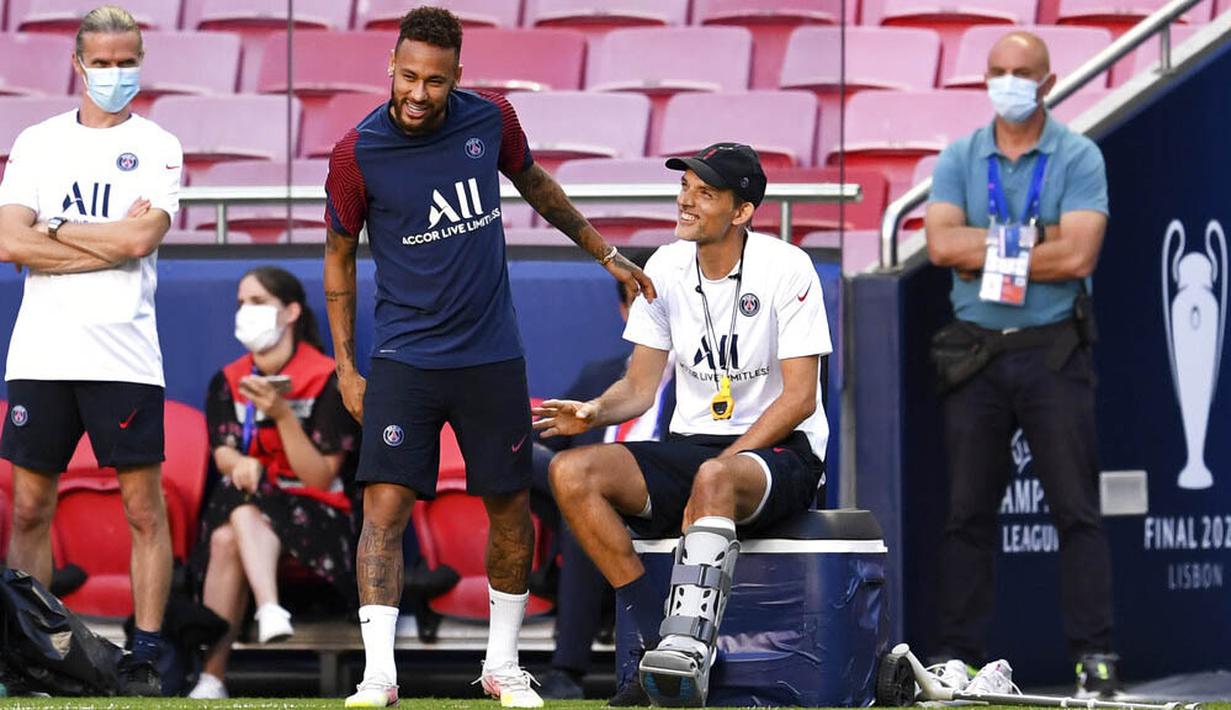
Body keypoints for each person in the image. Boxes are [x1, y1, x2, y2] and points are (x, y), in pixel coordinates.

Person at [321, 7, 655, 708]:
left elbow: (537, 186)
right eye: (408, 76)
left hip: (489, 357)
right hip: (404, 361)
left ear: (457, 78)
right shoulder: (356, 154)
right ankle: (379, 675)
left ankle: (501, 667)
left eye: (434, 81)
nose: (418, 93)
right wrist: (348, 365)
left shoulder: (491, 120)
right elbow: (338, 259)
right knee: (382, 507)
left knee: (508, 508)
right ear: (391, 66)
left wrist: (607, 254)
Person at [537, 142, 831, 707]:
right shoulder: (666, 265)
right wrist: (595, 410)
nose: (687, 202)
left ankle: (693, 648)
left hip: (783, 451)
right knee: (573, 473)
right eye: (685, 189)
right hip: (694, 446)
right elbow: (641, 387)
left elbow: (799, 399)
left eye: (706, 193)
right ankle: (660, 648)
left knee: (714, 479)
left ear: (742, 212)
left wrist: (727, 460)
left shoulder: (787, 266)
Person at [924, 30, 1119, 698]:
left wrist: (992, 246)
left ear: (1048, 81)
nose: (1007, 81)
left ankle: (1093, 658)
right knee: (965, 513)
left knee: (1076, 510)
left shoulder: (1077, 154)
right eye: (997, 70)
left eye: (1021, 71)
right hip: (975, 351)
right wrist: (1038, 235)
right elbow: (940, 244)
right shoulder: (959, 156)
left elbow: (1078, 257)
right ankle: (957, 656)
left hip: (1052, 350)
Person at [0, 4, 182, 697]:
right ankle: (32, 650)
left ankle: (145, 653)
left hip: (123, 356)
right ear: (77, 64)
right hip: (41, 354)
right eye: (102, 62)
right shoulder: (37, 142)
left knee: (142, 509)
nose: (115, 74)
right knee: (28, 509)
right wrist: (99, 242)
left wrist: (58, 227)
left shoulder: (159, 144)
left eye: (125, 61)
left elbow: (140, 244)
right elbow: (9, 241)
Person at [187, 267, 360, 700]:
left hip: (318, 520)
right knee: (230, 528)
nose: (246, 312)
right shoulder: (229, 380)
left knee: (238, 511)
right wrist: (239, 462)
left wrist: (283, 415)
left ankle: (214, 673)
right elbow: (221, 449)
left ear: (291, 312)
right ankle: (239, 645)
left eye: (258, 302)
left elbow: (321, 475)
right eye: (241, 303)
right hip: (252, 514)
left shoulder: (329, 379)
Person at [530, 250, 676, 700]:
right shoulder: (600, 375)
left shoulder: (695, 384)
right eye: (635, 300)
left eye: (655, 302)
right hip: (582, 499)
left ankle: (566, 671)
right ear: (622, 311)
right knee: (512, 452)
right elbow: (546, 438)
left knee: (584, 512)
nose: (645, 311)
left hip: (652, 506)